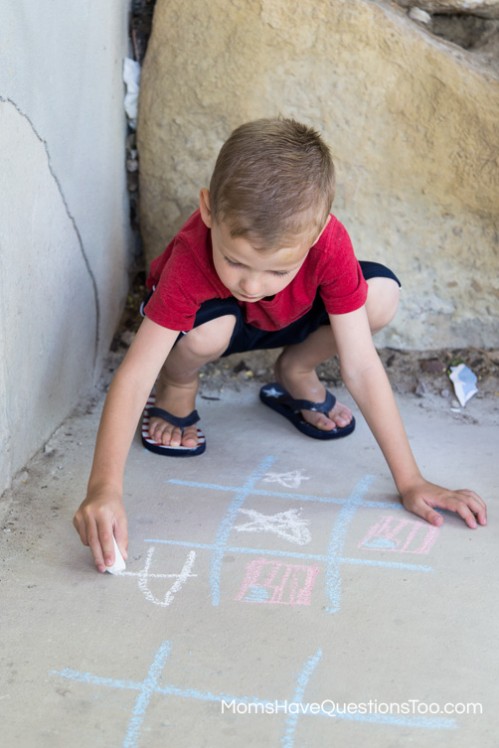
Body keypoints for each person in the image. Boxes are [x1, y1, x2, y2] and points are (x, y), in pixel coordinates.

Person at [73, 118, 487, 572]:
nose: (252, 283)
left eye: (276, 270)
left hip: (290, 318)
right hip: (217, 326)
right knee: (202, 335)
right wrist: (104, 488)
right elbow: (134, 375)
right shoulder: (192, 257)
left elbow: (362, 367)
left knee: (381, 295)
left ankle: (296, 370)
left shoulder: (327, 243)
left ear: (315, 234)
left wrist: (411, 481)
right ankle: (178, 384)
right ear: (209, 210)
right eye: (234, 260)